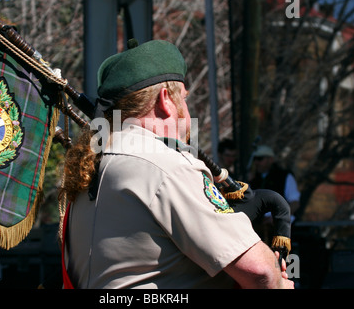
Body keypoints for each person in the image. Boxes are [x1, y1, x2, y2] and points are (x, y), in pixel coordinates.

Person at [60, 40, 293, 289]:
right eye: (183, 98)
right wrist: (280, 283)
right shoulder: (166, 164)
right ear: (165, 100)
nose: (187, 110)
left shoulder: (92, 165)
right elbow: (260, 273)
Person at [249, 145, 300, 218]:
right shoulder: (252, 178)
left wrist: (279, 218)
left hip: (279, 222)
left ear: (271, 159)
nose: (256, 162)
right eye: (255, 159)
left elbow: (295, 202)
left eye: (260, 159)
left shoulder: (285, 176)